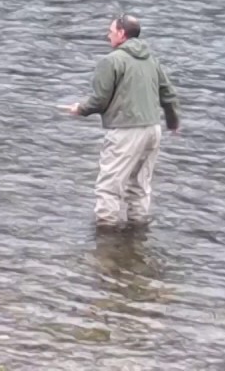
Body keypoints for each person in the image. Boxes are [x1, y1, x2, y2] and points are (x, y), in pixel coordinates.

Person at [61, 15, 180, 229]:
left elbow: (99, 100)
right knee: (140, 186)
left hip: (126, 130)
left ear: (122, 34)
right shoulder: (151, 59)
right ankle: (137, 233)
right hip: (153, 129)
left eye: (111, 31)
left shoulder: (112, 60)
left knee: (109, 186)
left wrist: (80, 109)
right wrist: (172, 122)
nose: (108, 36)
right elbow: (168, 94)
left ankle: (106, 239)